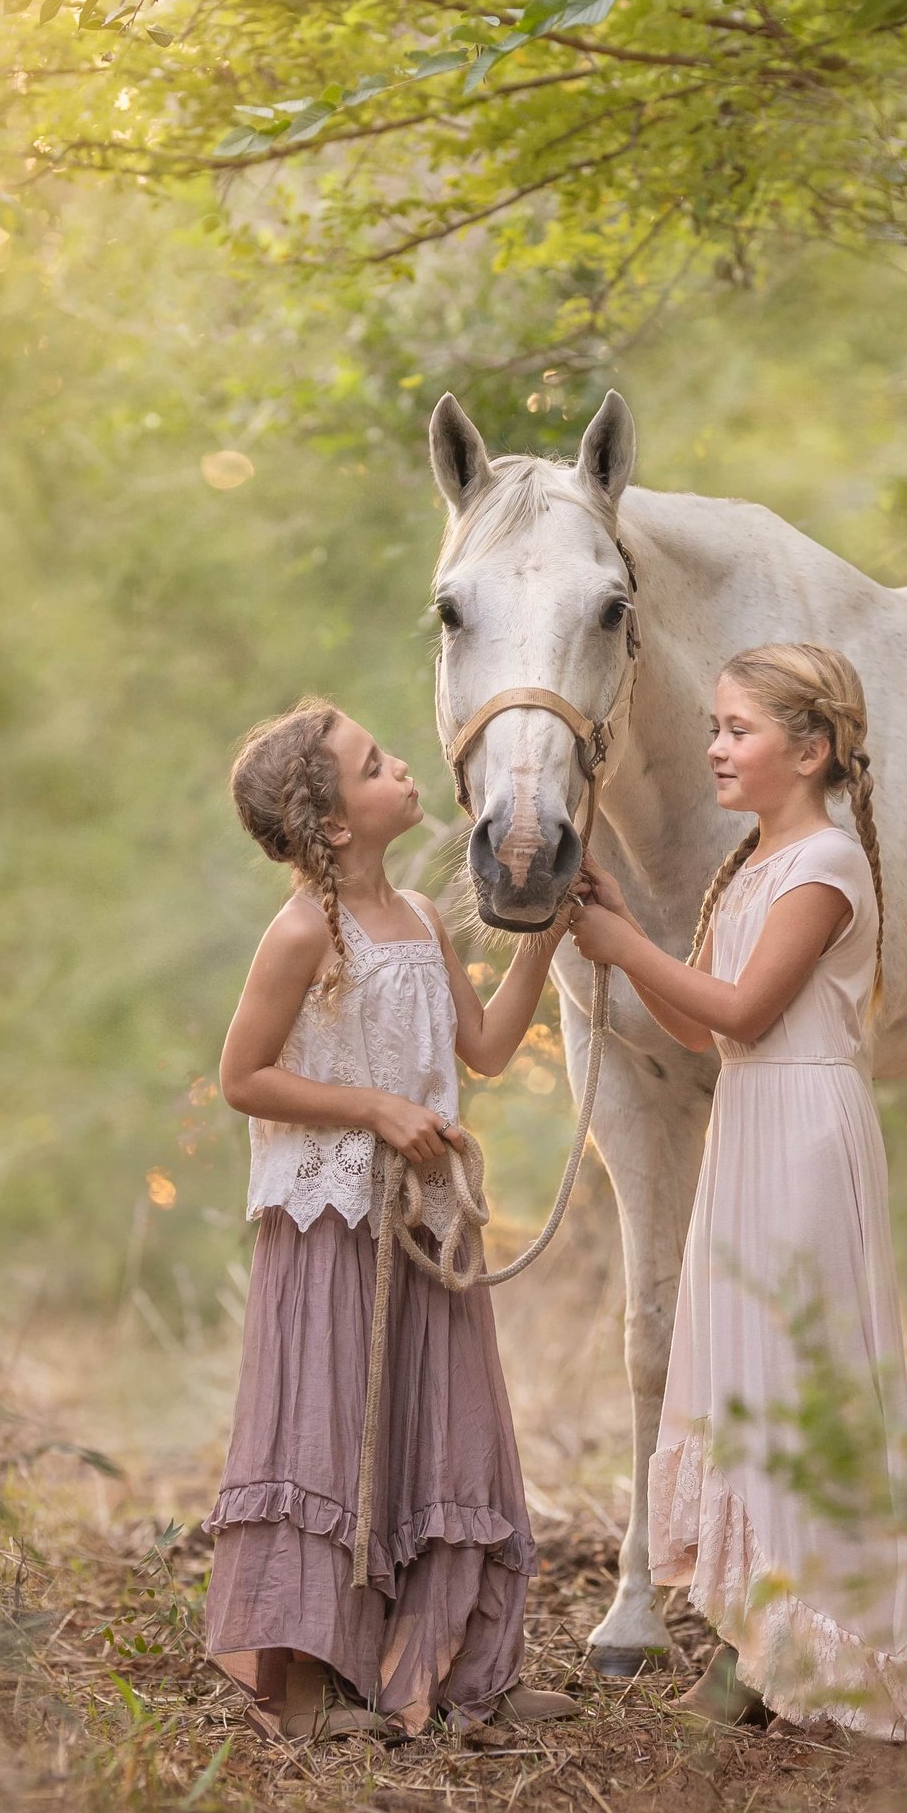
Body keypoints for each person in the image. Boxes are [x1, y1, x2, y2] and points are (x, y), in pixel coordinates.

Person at [571, 643, 907, 1740]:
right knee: (746, 1371)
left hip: (804, 1135)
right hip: (752, 1118)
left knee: (795, 1369)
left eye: (737, 729)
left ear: (810, 748)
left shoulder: (824, 864)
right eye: (718, 726)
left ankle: (831, 1637)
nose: (716, 747)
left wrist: (628, 937)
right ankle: (762, 1638)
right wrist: (623, 946)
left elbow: (742, 1011)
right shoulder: (754, 861)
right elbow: (707, 1025)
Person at [211, 697, 581, 1739]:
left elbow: (487, 1051)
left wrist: (542, 941)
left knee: (442, 1431)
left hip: (423, 1222)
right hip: (335, 1219)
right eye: (377, 764)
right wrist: (374, 1108)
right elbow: (244, 1076)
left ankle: (462, 1672)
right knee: (333, 1429)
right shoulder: (296, 934)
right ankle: (308, 1680)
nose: (405, 768)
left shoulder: (419, 914)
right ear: (335, 824)